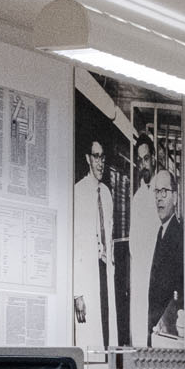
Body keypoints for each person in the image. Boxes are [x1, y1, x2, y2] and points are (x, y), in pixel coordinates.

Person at [72, 139, 123, 348]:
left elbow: (109, 239)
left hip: (105, 272)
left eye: (103, 157)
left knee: (107, 334)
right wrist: (77, 293)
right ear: (87, 159)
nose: (100, 162)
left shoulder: (107, 194)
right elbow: (74, 246)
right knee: (90, 339)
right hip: (87, 277)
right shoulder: (78, 192)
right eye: (96, 157)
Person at [146, 165, 183, 343]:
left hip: (167, 333)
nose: (159, 198)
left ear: (175, 198)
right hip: (157, 329)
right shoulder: (161, 231)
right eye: (156, 192)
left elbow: (179, 292)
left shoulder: (179, 235)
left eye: (164, 192)